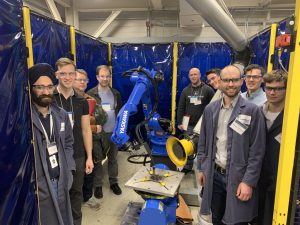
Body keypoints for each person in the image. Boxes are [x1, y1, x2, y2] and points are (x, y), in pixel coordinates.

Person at [197, 65, 266, 225]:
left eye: (235, 80)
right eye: (226, 80)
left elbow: (257, 151)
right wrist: (201, 168)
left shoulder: (252, 111)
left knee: (236, 220)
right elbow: (203, 143)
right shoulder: (210, 110)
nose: (230, 84)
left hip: (238, 177)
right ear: (219, 82)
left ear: (241, 81)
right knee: (216, 217)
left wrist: (248, 181)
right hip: (214, 175)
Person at [28, 63, 75, 225]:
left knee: (63, 217)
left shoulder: (60, 115)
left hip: (60, 179)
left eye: (49, 86)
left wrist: (69, 169)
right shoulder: (25, 119)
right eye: (40, 87)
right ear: (30, 88)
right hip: (40, 187)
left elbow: (69, 142)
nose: (46, 92)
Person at [53, 58, 93, 225]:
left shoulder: (81, 100)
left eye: (71, 73)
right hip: (55, 155)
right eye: (63, 74)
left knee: (76, 193)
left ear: (75, 75)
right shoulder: (50, 98)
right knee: (57, 195)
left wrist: (89, 156)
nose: (67, 77)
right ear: (57, 75)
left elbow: (86, 129)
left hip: (77, 154)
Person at [73, 69, 107, 209]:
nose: (82, 82)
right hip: (74, 144)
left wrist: (91, 122)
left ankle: (87, 196)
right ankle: (74, 200)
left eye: (84, 80)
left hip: (90, 143)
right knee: (75, 175)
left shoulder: (90, 99)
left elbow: (103, 117)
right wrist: (93, 126)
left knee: (89, 171)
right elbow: (75, 125)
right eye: (79, 79)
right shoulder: (68, 99)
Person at [87, 65, 122, 198]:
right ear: (97, 77)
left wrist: (119, 129)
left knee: (113, 158)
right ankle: (98, 186)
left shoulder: (116, 93)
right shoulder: (91, 94)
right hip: (98, 134)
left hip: (113, 132)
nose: (105, 79)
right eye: (102, 76)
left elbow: (119, 112)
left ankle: (114, 182)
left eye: (107, 76)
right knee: (98, 160)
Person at [257, 70, 288, 225]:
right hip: (257, 178)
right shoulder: (257, 113)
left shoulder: (292, 117)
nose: (272, 92)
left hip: (281, 180)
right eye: (268, 88)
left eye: (277, 89)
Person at [177, 67, 214, 172]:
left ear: (199, 75)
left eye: (195, 74)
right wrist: (180, 122)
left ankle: (202, 169)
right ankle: (187, 167)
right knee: (187, 147)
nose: (193, 76)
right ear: (189, 77)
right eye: (191, 75)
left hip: (203, 126)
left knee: (202, 147)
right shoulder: (186, 90)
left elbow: (214, 106)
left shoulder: (208, 90)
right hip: (188, 125)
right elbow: (181, 107)